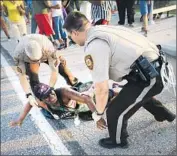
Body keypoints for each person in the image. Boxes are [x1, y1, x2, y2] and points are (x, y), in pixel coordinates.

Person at [63, 11, 176, 148]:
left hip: (150, 76)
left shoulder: (94, 45)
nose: (71, 39)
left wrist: (98, 114)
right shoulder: (103, 29)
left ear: (75, 32)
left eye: (70, 36)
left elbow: (102, 89)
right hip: (153, 69)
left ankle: (117, 140)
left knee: (114, 111)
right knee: (135, 95)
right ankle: (164, 114)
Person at [13, 34, 81, 108]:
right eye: (35, 60)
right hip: (27, 56)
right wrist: (29, 95)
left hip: (46, 51)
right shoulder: (19, 54)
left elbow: (54, 71)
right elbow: (22, 76)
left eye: (38, 60)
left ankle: (75, 84)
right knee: (33, 79)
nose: (38, 62)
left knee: (62, 69)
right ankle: (42, 102)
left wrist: (50, 89)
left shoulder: (48, 47)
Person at [10, 82, 111, 128]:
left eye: (51, 92)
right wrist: (20, 119)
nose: (51, 96)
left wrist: (97, 118)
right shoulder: (40, 101)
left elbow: (87, 99)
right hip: (58, 111)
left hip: (79, 101)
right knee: (52, 115)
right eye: (47, 96)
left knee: (104, 98)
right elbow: (30, 103)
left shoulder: (64, 92)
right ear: (42, 100)